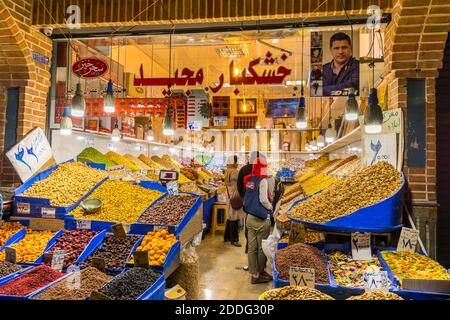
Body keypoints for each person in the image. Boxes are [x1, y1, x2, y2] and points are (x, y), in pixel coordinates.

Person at [243, 156, 273, 284]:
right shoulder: (262, 181)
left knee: (251, 247)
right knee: (261, 248)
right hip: (260, 218)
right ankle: (260, 273)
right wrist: (270, 208)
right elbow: (263, 199)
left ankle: (253, 274)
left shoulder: (249, 179)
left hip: (249, 217)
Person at [323, 32, 360, 96]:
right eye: (336, 48)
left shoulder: (358, 66)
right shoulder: (322, 69)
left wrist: (324, 90)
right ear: (331, 50)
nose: (340, 52)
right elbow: (316, 91)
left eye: (344, 47)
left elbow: (351, 86)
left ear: (350, 48)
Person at [224, 155, 242, 247]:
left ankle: (226, 236)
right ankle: (234, 239)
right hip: (234, 196)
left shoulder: (227, 171)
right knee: (234, 217)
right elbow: (238, 183)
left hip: (229, 196)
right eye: (236, 161)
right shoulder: (234, 172)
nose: (237, 163)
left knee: (229, 217)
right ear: (233, 162)